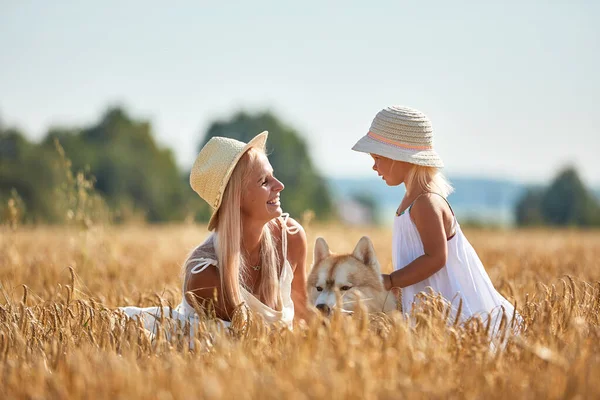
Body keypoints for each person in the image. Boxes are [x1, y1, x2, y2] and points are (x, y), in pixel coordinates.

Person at [120, 131, 310, 339]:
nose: (280, 185)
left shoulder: (291, 238)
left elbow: (304, 319)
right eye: (264, 181)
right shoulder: (206, 274)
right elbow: (249, 345)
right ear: (236, 196)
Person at [351, 105, 520, 333]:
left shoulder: (425, 203)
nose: (374, 166)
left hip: (451, 307)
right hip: (429, 308)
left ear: (400, 158)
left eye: (378, 157)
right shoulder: (411, 202)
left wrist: (392, 280)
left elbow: (436, 258)